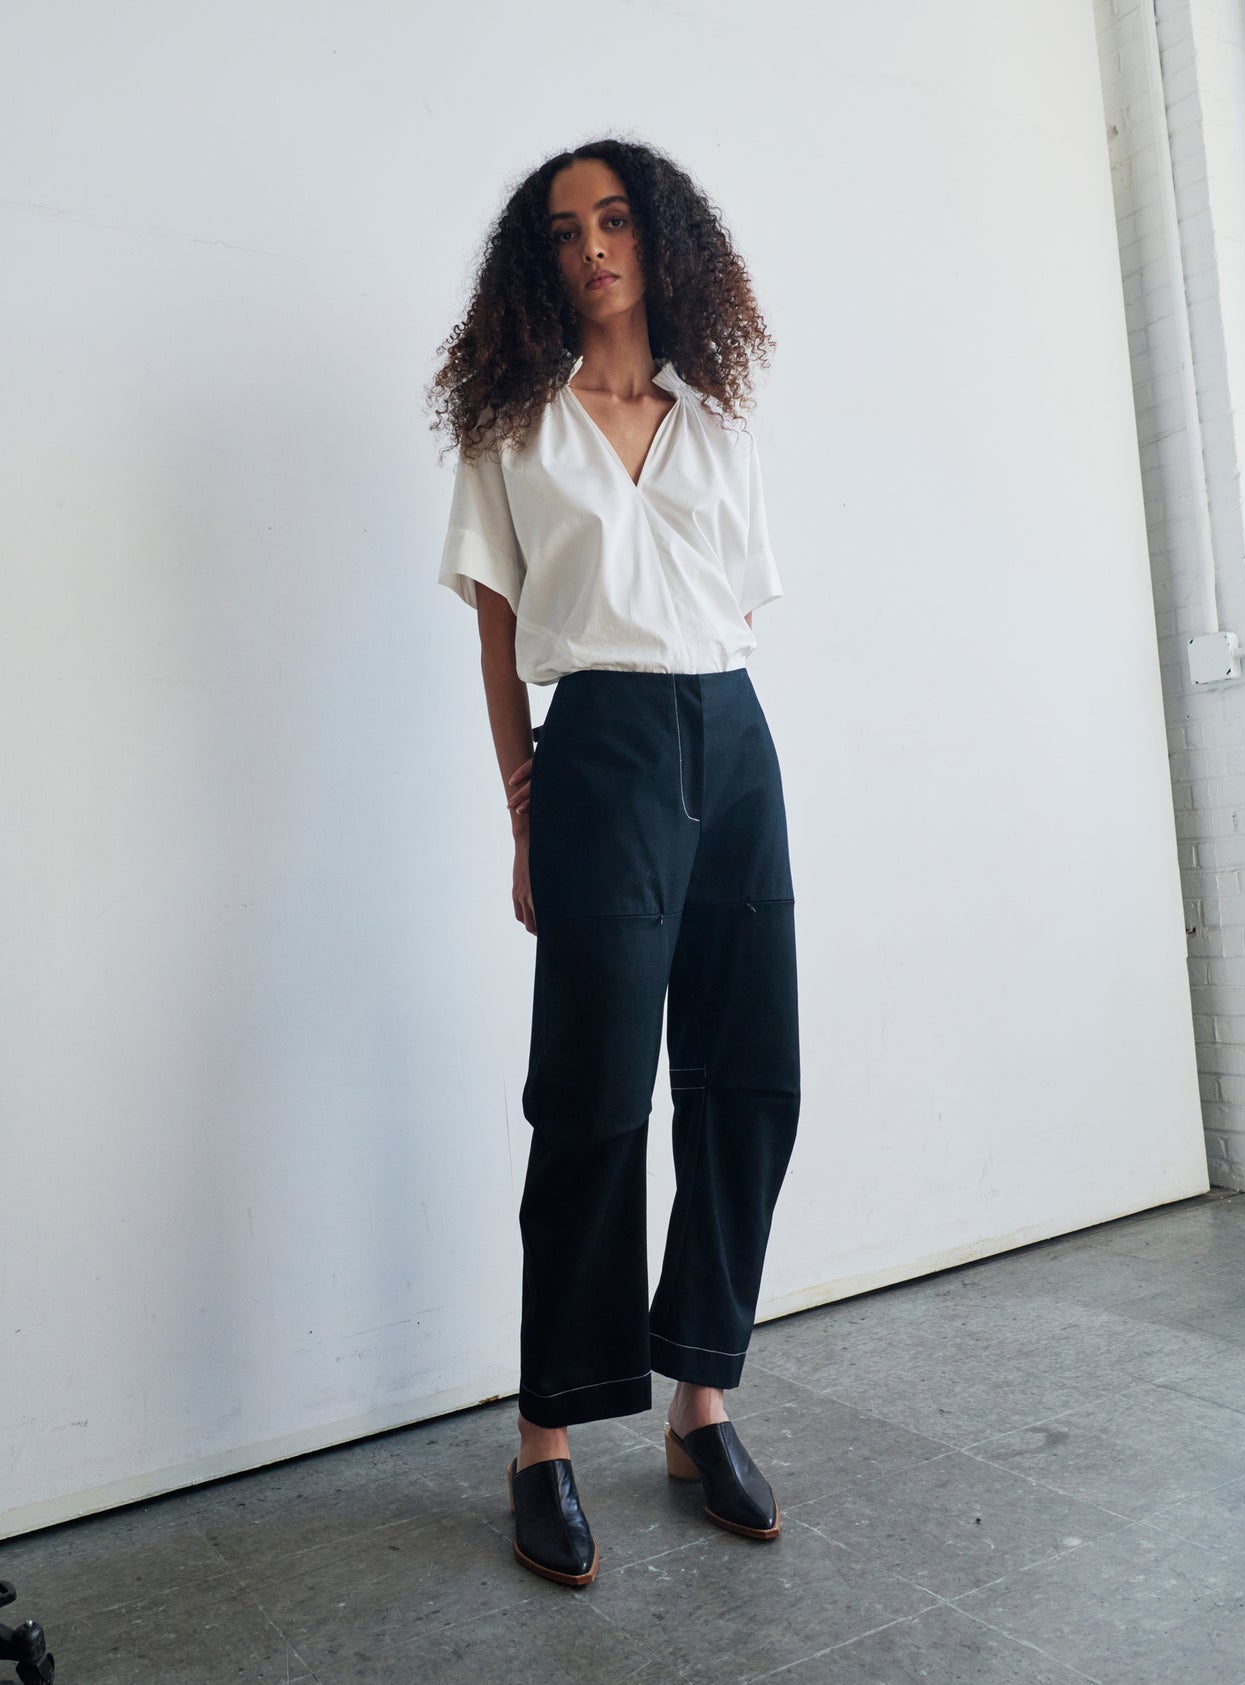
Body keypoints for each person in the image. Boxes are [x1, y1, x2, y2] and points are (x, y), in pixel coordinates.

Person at [428, 137, 801, 1589]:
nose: (595, 245)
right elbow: (498, 632)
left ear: (663, 241)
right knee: (588, 1093)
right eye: (567, 229)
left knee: (749, 1072)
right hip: (599, 749)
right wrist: (525, 813)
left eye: (618, 218)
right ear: (542, 262)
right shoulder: (512, 427)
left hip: (735, 739)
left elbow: (736, 615)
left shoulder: (718, 419)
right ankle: (546, 1435)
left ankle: (702, 1400)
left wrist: (729, 761)